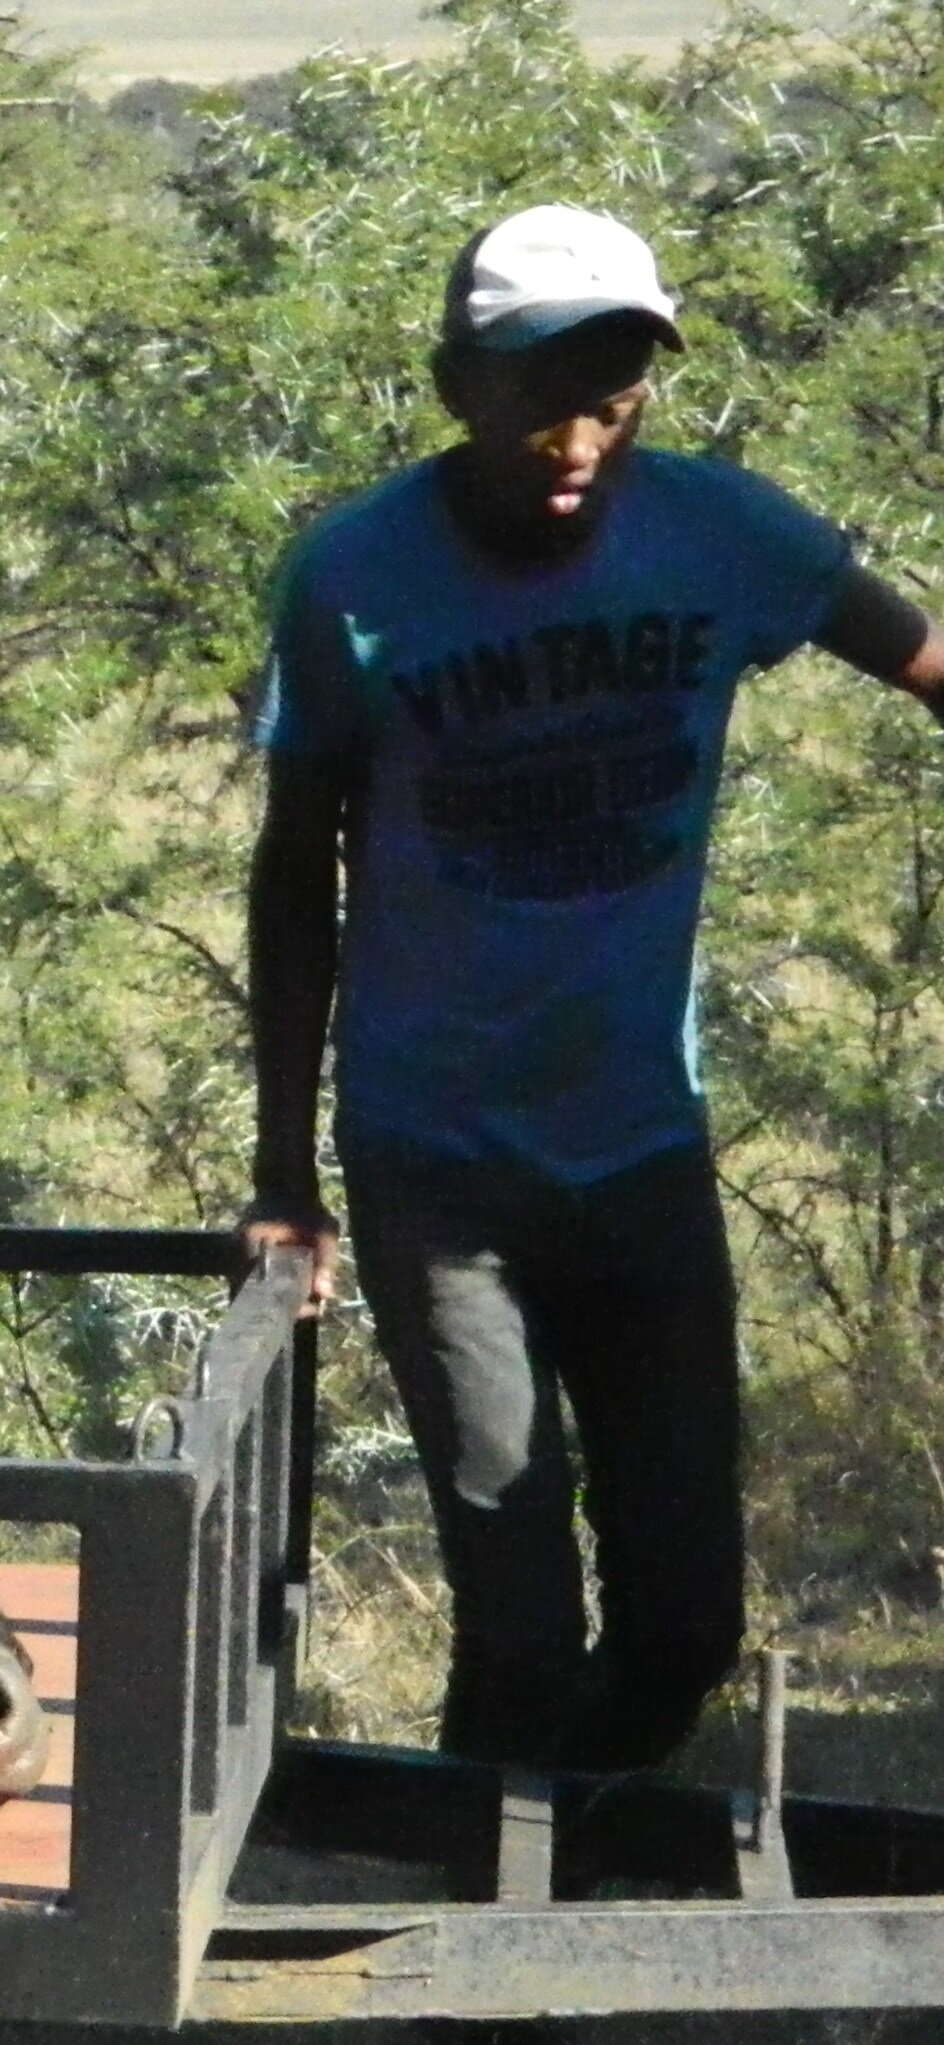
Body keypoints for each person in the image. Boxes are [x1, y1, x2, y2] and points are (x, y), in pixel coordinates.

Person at [245, 204, 944, 1776]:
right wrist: (286, 1177)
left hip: (640, 1146)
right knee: (516, 1610)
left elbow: (918, 657)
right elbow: (296, 874)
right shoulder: (355, 578)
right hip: (440, 1161)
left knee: (687, 1621)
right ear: (455, 388)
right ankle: (494, 1980)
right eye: (542, 400)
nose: (577, 442)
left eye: (615, 408)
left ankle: (582, 1840)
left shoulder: (724, 535)